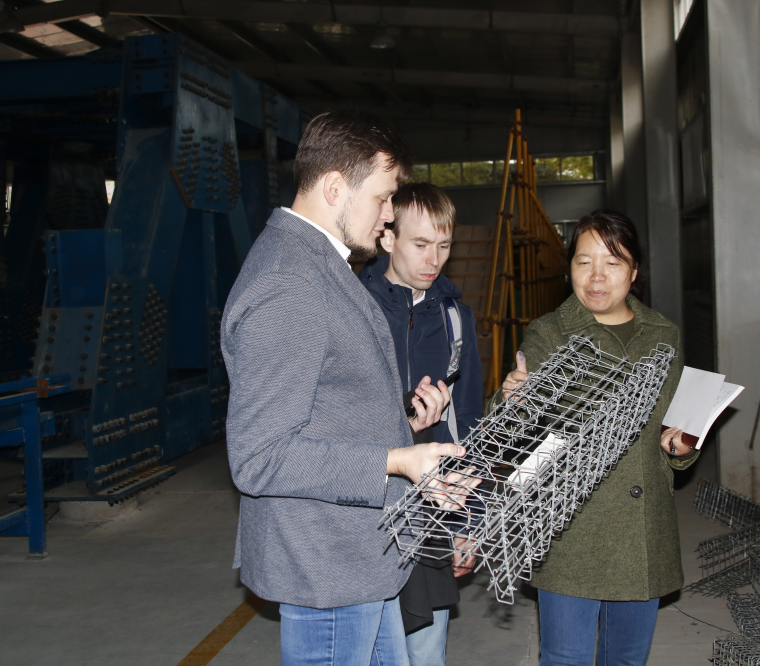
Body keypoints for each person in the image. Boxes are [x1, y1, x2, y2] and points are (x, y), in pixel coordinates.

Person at [221, 110, 474, 666]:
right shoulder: (290, 282)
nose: (388, 215)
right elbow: (260, 457)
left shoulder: (322, 264)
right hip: (327, 564)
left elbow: (332, 404)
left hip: (361, 555)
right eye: (383, 198)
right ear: (335, 187)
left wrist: (408, 439)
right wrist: (396, 461)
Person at [494, 210, 697, 666]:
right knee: (565, 658)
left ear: (634, 271)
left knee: (626, 660)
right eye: (584, 262)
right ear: (570, 269)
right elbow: (511, 432)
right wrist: (512, 399)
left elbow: (674, 433)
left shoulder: (664, 336)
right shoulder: (550, 333)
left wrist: (681, 447)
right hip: (571, 527)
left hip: (641, 529)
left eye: (612, 262)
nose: (597, 276)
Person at [358, 183, 484, 665]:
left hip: (433, 505)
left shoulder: (456, 321)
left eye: (444, 245)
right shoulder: (354, 309)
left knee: (425, 648)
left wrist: (468, 522)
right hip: (365, 506)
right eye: (421, 244)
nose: (434, 260)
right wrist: (407, 424)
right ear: (387, 237)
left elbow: (467, 424)